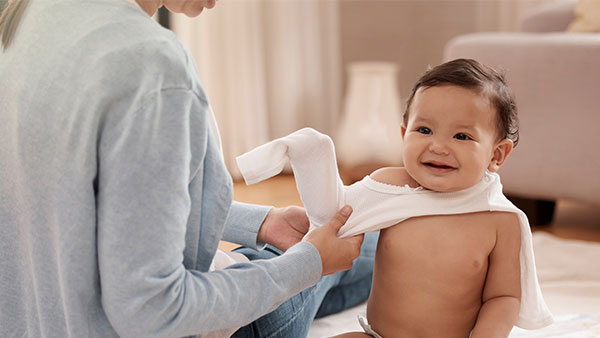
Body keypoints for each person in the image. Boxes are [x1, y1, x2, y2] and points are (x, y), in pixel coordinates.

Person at [0, 0, 378, 337]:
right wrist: (307, 264)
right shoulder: (150, 65)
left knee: (343, 251)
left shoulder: (30, 17)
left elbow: (97, 201)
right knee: (370, 245)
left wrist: (261, 223)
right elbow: (152, 311)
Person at [236, 59, 554, 338]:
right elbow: (330, 215)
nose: (438, 146)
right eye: (424, 130)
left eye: (461, 136)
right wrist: (312, 154)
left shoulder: (500, 220)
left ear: (497, 154)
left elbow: (503, 297)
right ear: (403, 134)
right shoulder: (390, 186)